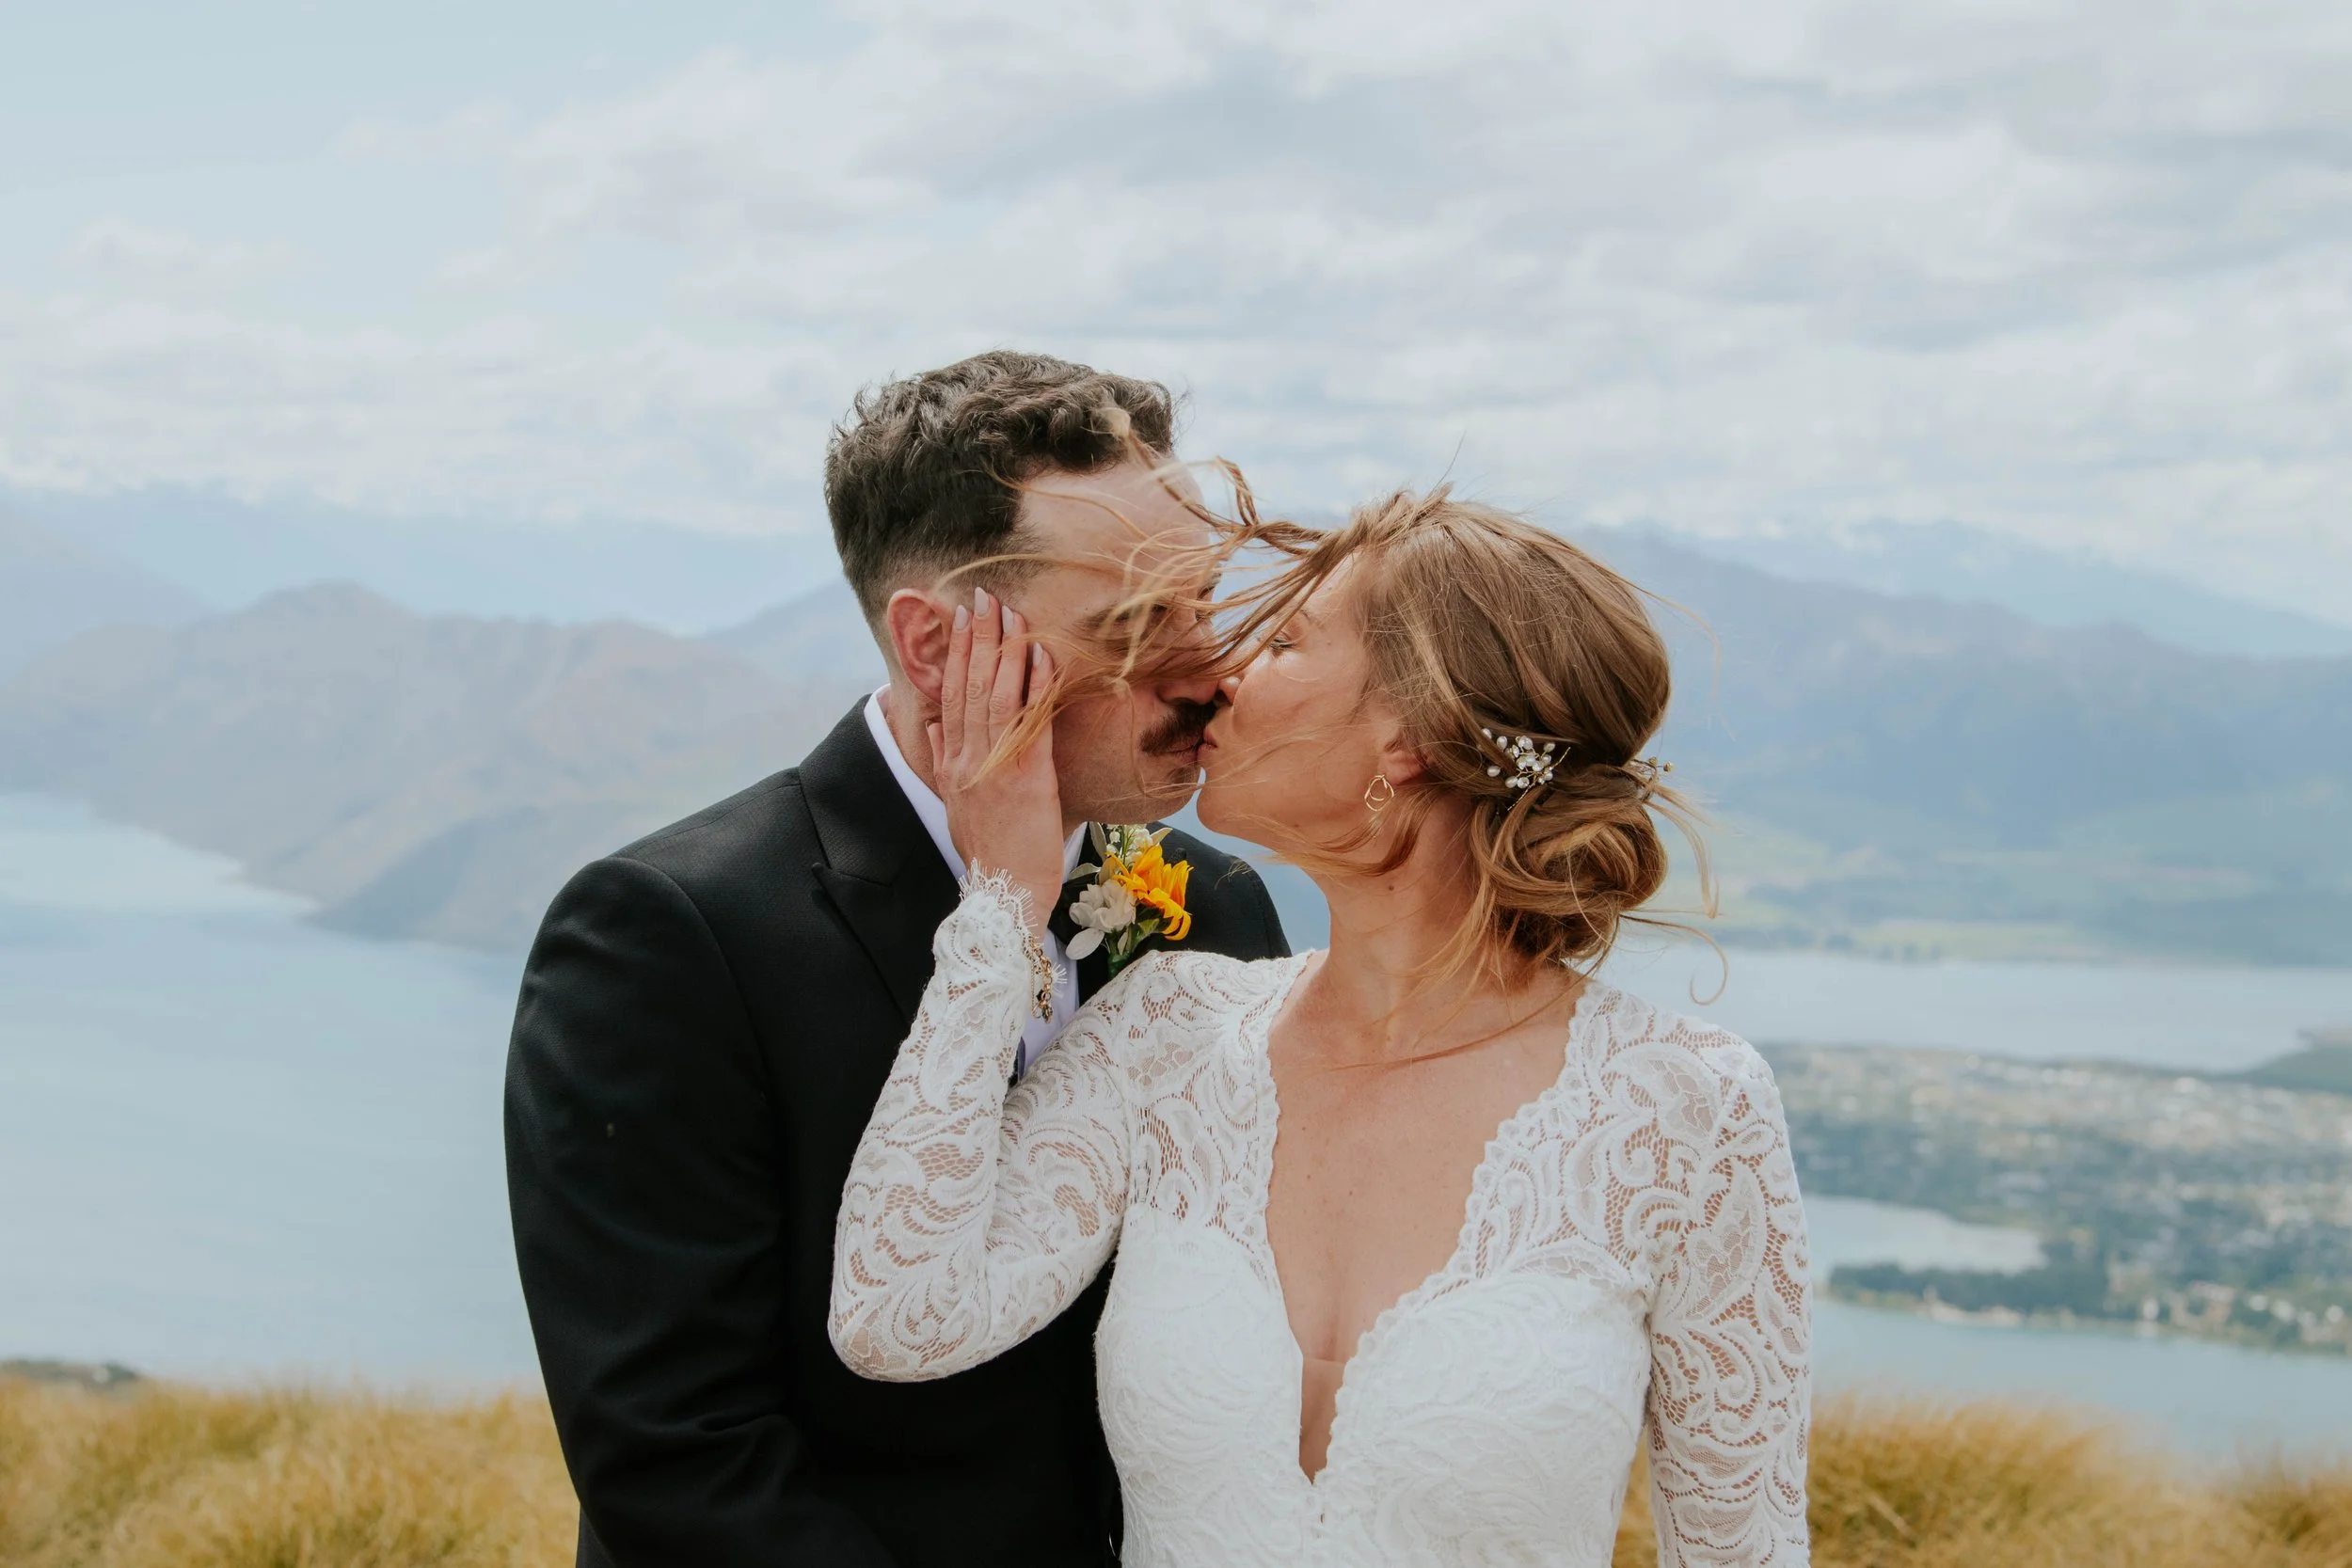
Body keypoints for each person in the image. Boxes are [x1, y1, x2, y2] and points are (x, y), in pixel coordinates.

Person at [831, 489, 1813, 1566]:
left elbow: (1742, 1551)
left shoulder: (1685, 1106)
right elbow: (899, 1315)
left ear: (1410, 738)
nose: (1220, 677)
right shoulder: (1166, 1029)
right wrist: (1000, 904)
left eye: (1286, 642)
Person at [504, 351, 1291, 1568]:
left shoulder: (1213, 907)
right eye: (1137, 622)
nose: (1210, 671)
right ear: (934, 646)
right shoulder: (670, 933)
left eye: (1203, 601)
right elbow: (676, 1451)